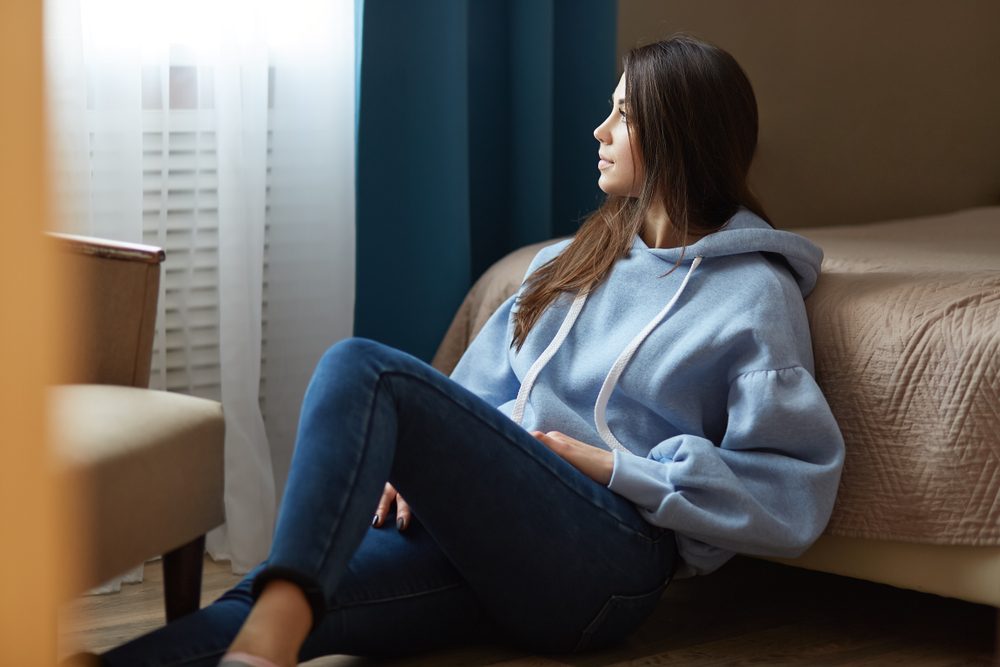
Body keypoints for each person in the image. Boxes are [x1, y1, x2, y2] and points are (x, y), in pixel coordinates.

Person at [91, 34, 845, 667]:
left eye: (622, 114)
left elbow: (790, 492)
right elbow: (474, 397)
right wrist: (430, 471)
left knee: (363, 367)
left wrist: (610, 464)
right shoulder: (570, 259)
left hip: (610, 560)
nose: (599, 131)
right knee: (287, 593)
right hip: (492, 547)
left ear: (679, 137)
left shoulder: (752, 293)